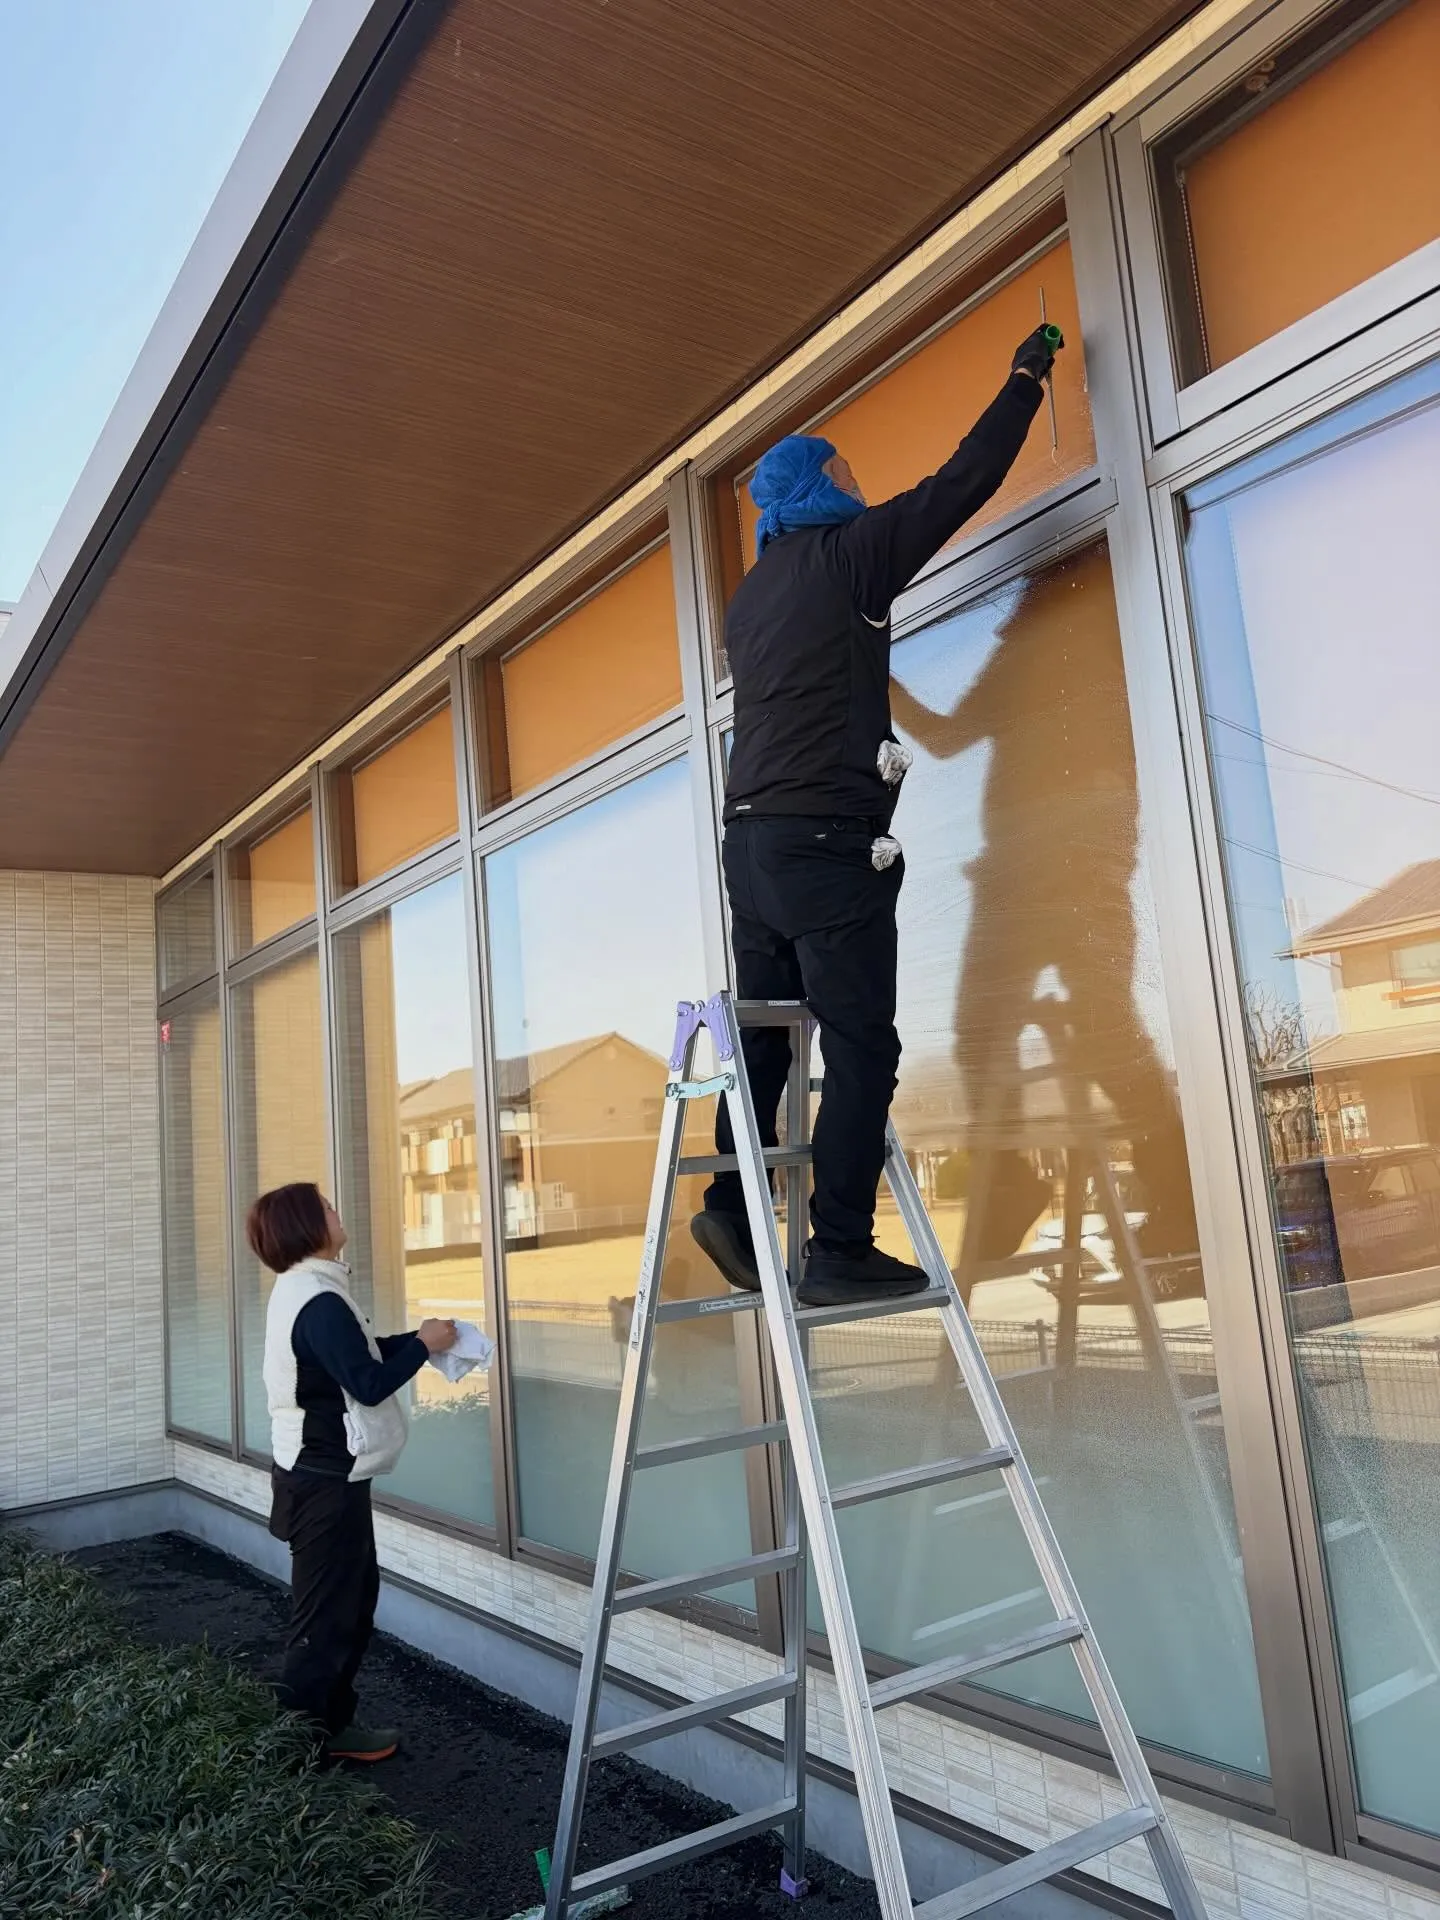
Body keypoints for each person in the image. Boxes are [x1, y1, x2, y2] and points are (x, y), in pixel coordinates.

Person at [691, 325, 1061, 1308]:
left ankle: (728, 1203)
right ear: (818, 486)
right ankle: (838, 1248)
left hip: (751, 845)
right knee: (861, 1044)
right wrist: (1025, 378)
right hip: (823, 843)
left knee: (765, 1033)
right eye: (845, 469)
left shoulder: (749, 600)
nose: (858, 481)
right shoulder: (849, 557)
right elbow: (962, 483)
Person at [249, 1181, 459, 1762]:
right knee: (327, 1617)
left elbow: (357, 1356)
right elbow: (365, 1383)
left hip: (321, 1475)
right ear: (308, 1227)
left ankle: (327, 1729)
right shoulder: (316, 1299)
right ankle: (300, 1749)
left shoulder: (309, 1290)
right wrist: (422, 1348)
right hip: (322, 1481)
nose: (339, 1211)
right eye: (328, 1207)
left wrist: (422, 1340)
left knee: (350, 1601)